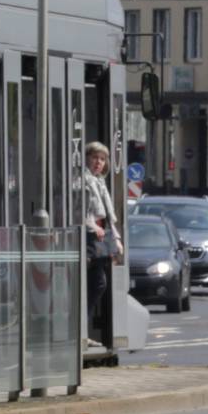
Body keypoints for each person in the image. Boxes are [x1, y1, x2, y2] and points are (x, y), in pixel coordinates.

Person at [78, 142, 119, 346]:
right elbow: (80, 211)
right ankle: (80, 333)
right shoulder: (82, 180)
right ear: (86, 158)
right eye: (95, 158)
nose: (98, 162)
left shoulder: (100, 181)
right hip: (88, 238)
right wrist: (94, 226)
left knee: (98, 283)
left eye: (102, 159)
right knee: (93, 283)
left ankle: (82, 333)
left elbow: (109, 217)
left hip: (100, 239)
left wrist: (116, 241)